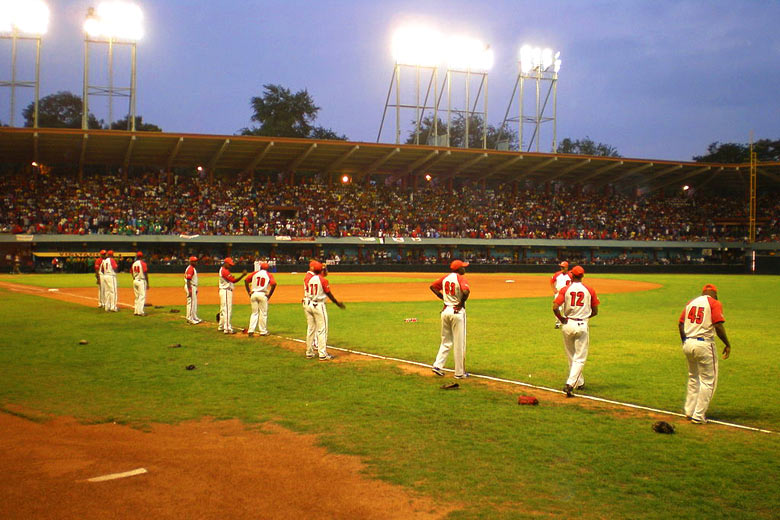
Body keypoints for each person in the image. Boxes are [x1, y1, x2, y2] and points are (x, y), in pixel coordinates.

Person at [678, 283, 732, 424]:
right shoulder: (714, 303)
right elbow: (718, 325)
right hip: (704, 344)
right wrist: (727, 343)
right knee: (708, 381)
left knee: (693, 378)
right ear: (714, 294)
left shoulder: (691, 302)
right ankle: (698, 415)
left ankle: (689, 411)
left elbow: (680, 324)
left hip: (688, 343)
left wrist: (685, 341)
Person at [552, 265, 599, 397]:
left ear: (572, 275)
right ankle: (570, 384)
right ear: (583, 276)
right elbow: (595, 311)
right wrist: (584, 317)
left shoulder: (565, 289)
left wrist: (561, 319)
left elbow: (555, 307)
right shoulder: (589, 290)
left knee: (571, 355)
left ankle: (579, 382)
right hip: (582, 324)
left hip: (568, 323)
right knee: (580, 358)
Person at [430, 259, 471, 379]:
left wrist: (443, 297)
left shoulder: (446, 278)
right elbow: (466, 291)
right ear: (459, 269)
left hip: (445, 311)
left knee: (445, 341)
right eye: (463, 267)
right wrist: (460, 303)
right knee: (459, 343)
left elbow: (432, 287)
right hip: (457, 313)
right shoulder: (460, 278)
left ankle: (437, 366)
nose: (465, 269)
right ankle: (459, 373)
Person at [303, 261, 345, 360]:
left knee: (311, 329)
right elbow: (329, 294)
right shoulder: (323, 280)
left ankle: (309, 352)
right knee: (322, 330)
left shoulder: (310, 279)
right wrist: (337, 303)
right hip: (319, 305)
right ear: (321, 270)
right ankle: (322, 354)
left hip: (309, 303)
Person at [245, 261, 277, 336]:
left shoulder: (254, 273)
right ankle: (263, 331)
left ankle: (251, 330)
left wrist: (249, 292)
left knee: (254, 313)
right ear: (267, 268)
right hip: (262, 294)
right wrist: (269, 295)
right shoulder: (268, 274)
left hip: (254, 294)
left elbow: (246, 281)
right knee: (263, 313)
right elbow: (274, 284)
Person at [218, 257, 247, 334]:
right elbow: (233, 280)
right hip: (226, 291)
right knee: (227, 310)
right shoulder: (224, 271)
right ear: (225, 263)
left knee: (223, 309)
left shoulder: (224, 270)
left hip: (224, 291)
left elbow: (231, 278)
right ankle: (227, 328)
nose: (230, 266)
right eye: (229, 264)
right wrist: (242, 275)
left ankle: (221, 326)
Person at [550, 261, 572, 328]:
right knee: (558, 309)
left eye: (563, 267)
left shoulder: (571, 275)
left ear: (567, 267)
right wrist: (554, 289)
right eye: (561, 267)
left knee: (567, 309)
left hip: (567, 294)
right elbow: (552, 281)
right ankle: (557, 323)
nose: (561, 268)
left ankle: (566, 322)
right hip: (559, 294)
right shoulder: (557, 274)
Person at [184, 256, 202, 324]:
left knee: (194, 303)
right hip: (190, 286)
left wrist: (195, 289)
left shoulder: (192, 268)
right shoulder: (190, 269)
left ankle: (194, 317)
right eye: (194, 261)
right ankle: (190, 318)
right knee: (191, 303)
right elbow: (188, 280)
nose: (196, 262)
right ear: (191, 262)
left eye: (196, 261)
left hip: (193, 286)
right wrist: (190, 290)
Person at [130, 251, 149, 316]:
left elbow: (131, 272)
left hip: (135, 280)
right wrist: (147, 282)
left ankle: (136, 311)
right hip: (141, 281)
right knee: (142, 296)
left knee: (137, 296)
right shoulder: (143, 263)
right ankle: (140, 312)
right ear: (141, 256)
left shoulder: (134, 264)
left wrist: (134, 278)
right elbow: (145, 273)